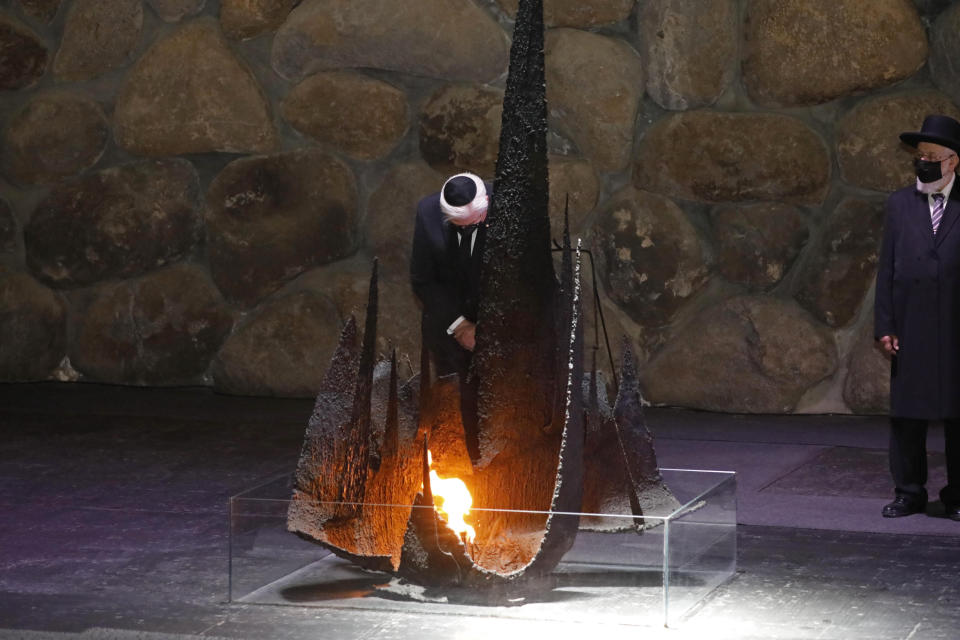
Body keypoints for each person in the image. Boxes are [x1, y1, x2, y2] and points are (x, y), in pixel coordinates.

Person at [875, 114, 960, 521]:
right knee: (907, 417)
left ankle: (958, 495)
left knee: (957, 416)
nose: (923, 162)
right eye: (920, 156)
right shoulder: (899, 205)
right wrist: (885, 325)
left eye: (932, 156)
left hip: (956, 329)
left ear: (953, 162)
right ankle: (909, 492)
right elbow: (887, 268)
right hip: (910, 327)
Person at [410, 173, 491, 462]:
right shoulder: (428, 212)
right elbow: (423, 279)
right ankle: (457, 466)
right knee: (453, 405)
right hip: (447, 326)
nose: (477, 225)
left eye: (481, 217)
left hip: (496, 325)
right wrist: (461, 325)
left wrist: (487, 329)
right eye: (466, 224)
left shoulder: (508, 204)